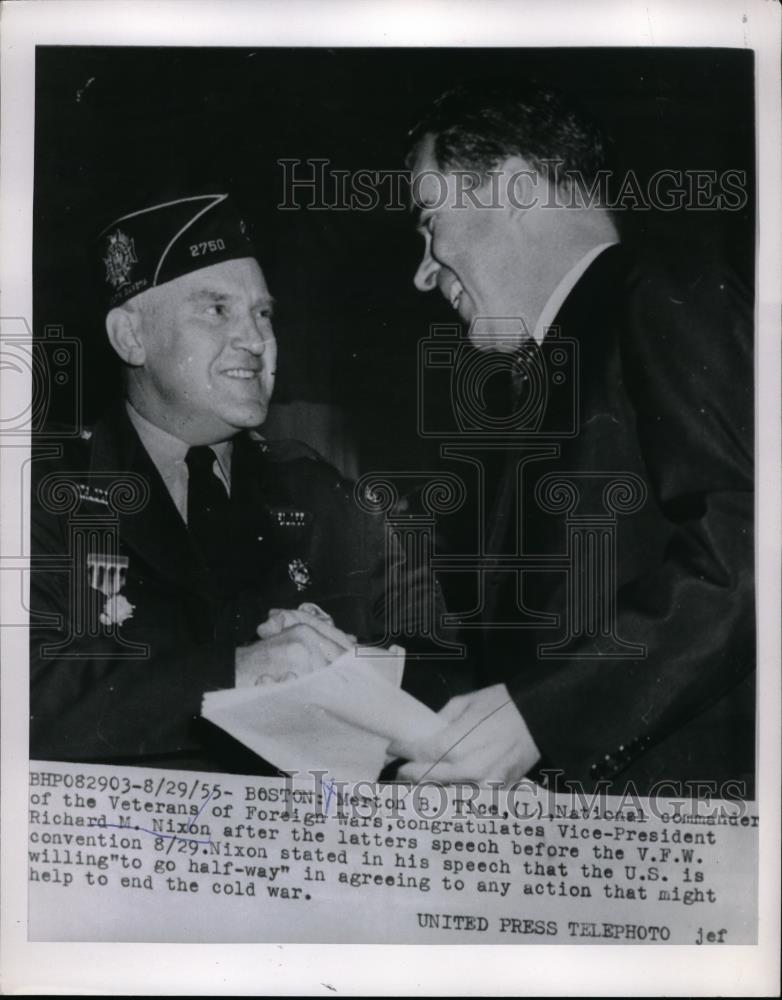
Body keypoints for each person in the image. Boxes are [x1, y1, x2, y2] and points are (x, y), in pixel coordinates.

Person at [394, 81, 755, 796]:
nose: (422, 270)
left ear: (520, 189)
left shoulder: (662, 294)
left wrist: (539, 719)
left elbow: (750, 552)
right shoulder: (550, 370)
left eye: (430, 219)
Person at [29, 189, 454, 773]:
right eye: (217, 310)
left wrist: (356, 670)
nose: (256, 340)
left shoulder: (322, 495)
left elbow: (444, 667)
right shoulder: (43, 494)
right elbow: (29, 700)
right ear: (131, 336)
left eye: (263, 313)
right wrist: (240, 674)